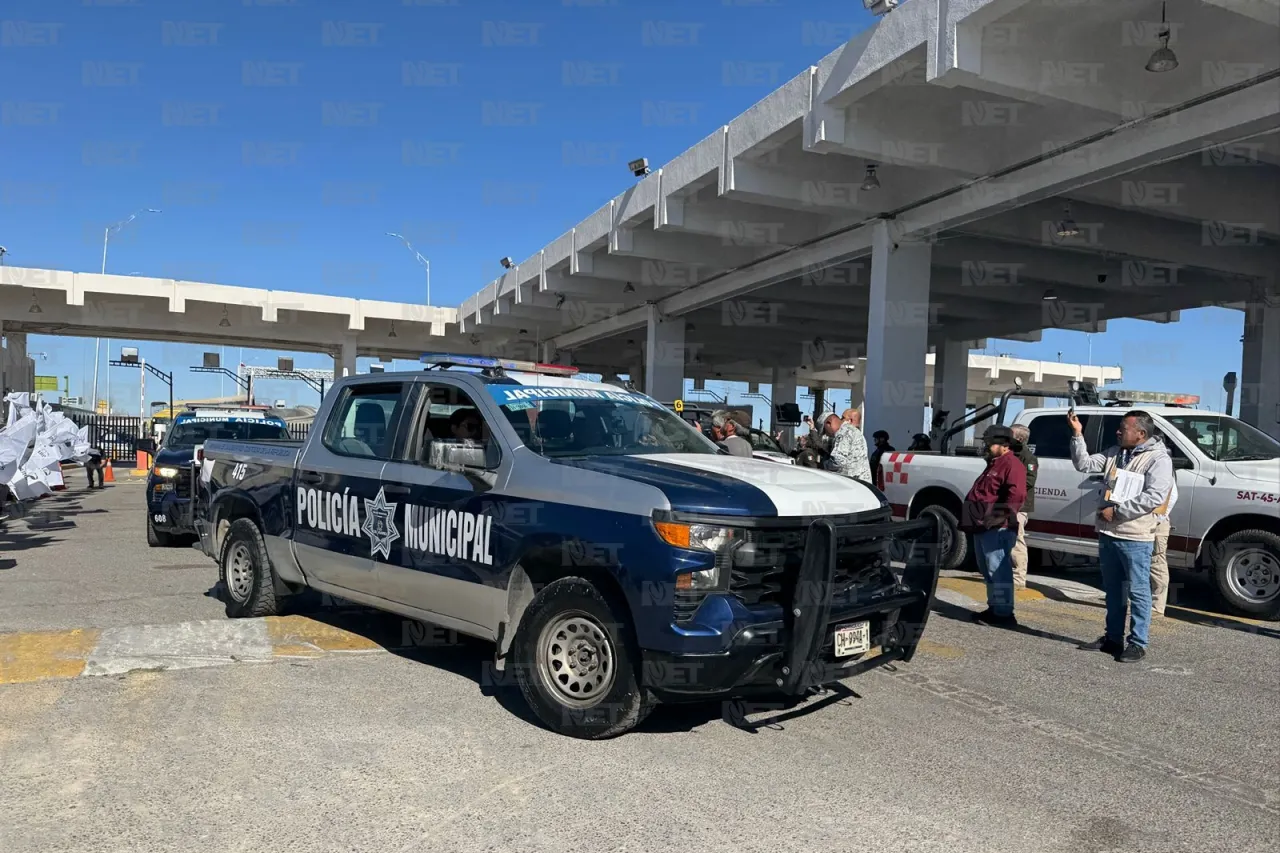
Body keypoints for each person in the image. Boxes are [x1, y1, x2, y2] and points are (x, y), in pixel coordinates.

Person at [1069, 409, 1173, 662]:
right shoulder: (1115, 453)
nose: (1117, 431)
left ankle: (1137, 643)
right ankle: (1113, 638)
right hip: (1108, 532)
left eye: (1122, 428)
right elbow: (1083, 464)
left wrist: (1117, 511)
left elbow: (1155, 496)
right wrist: (1077, 435)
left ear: (1140, 433)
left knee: (1138, 591)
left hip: (1135, 536)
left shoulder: (1158, 460)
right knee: (1113, 590)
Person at [959, 425, 1027, 627]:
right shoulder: (994, 463)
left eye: (990, 443)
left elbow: (1017, 496)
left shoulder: (1012, 464)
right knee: (988, 570)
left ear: (1005, 445)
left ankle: (1004, 614)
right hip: (983, 526)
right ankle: (995, 608)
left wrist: (996, 518)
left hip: (998, 528)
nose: (986, 446)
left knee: (999, 571)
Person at [1009, 424, 1039, 589]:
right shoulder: (1007, 454)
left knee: (1016, 541)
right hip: (1005, 504)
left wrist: (1007, 481)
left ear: (1018, 439)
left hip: (1019, 506)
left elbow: (1029, 481)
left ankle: (1018, 578)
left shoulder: (1029, 459)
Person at [1150, 471, 1179, 617]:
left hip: (1156, 522)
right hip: (1139, 522)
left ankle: (1157, 606)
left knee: (1156, 564)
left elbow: (1172, 496)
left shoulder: (1162, 463)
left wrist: (1158, 518)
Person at [822, 409, 872, 481]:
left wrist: (824, 465)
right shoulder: (855, 432)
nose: (840, 420)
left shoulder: (844, 431)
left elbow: (838, 461)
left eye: (842, 418)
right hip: (860, 483)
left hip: (853, 484)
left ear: (829, 423)